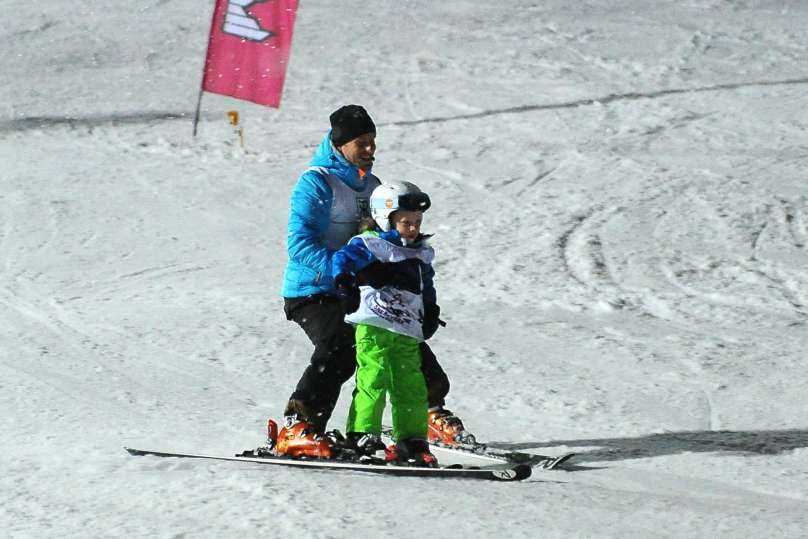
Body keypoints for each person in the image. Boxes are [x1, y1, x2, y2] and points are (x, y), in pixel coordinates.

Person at [275, 104, 472, 459]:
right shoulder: (317, 182)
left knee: (403, 343)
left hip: (363, 289)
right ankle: (297, 426)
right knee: (341, 346)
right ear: (339, 143)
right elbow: (299, 245)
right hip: (314, 290)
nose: (370, 149)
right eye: (361, 143)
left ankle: (425, 413)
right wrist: (346, 271)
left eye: (372, 142)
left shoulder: (374, 187)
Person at [331, 181, 439, 466]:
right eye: (406, 222)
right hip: (374, 323)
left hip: (406, 328)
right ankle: (363, 434)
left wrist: (431, 308)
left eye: (417, 222)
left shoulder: (418, 254)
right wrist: (344, 282)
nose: (413, 228)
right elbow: (343, 260)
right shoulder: (371, 244)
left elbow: (425, 285)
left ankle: (412, 438)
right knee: (373, 377)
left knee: (411, 383)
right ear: (385, 218)